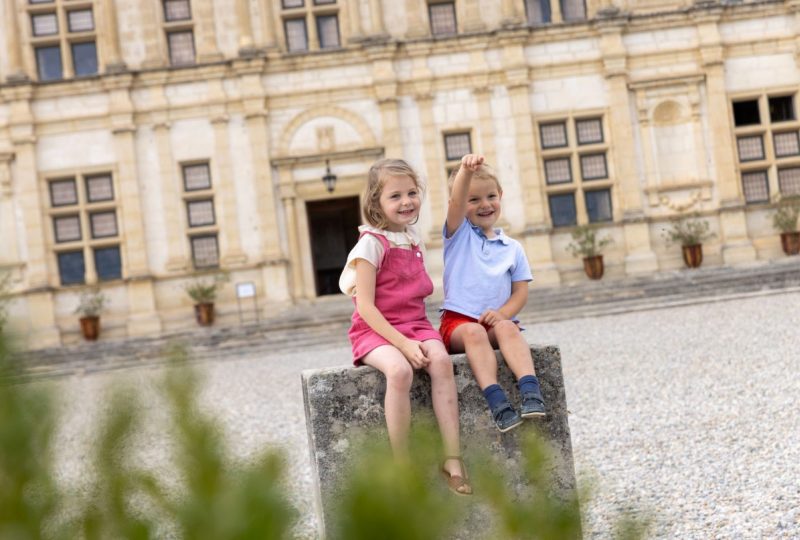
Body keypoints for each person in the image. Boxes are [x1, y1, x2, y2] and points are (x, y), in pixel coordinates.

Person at [339, 158, 472, 496]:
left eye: (411, 192)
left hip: (415, 323)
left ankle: (452, 458)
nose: (406, 201)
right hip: (375, 331)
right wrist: (402, 344)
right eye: (395, 195)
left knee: (441, 363)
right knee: (399, 372)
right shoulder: (369, 244)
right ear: (376, 202)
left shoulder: (413, 239)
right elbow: (366, 307)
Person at [439, 153, 546, 433]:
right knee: (474, 333)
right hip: (460, 324)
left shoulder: (512, 248)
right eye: (474, 200)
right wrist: (464, 170)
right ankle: (497, 402)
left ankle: (530, 392)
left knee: (509, 328)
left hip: (493, 322)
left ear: (500, 195)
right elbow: (456, 201)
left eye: (490, 197)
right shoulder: (458, 235)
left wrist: (502, 315)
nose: (484, 205)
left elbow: (520, 293)